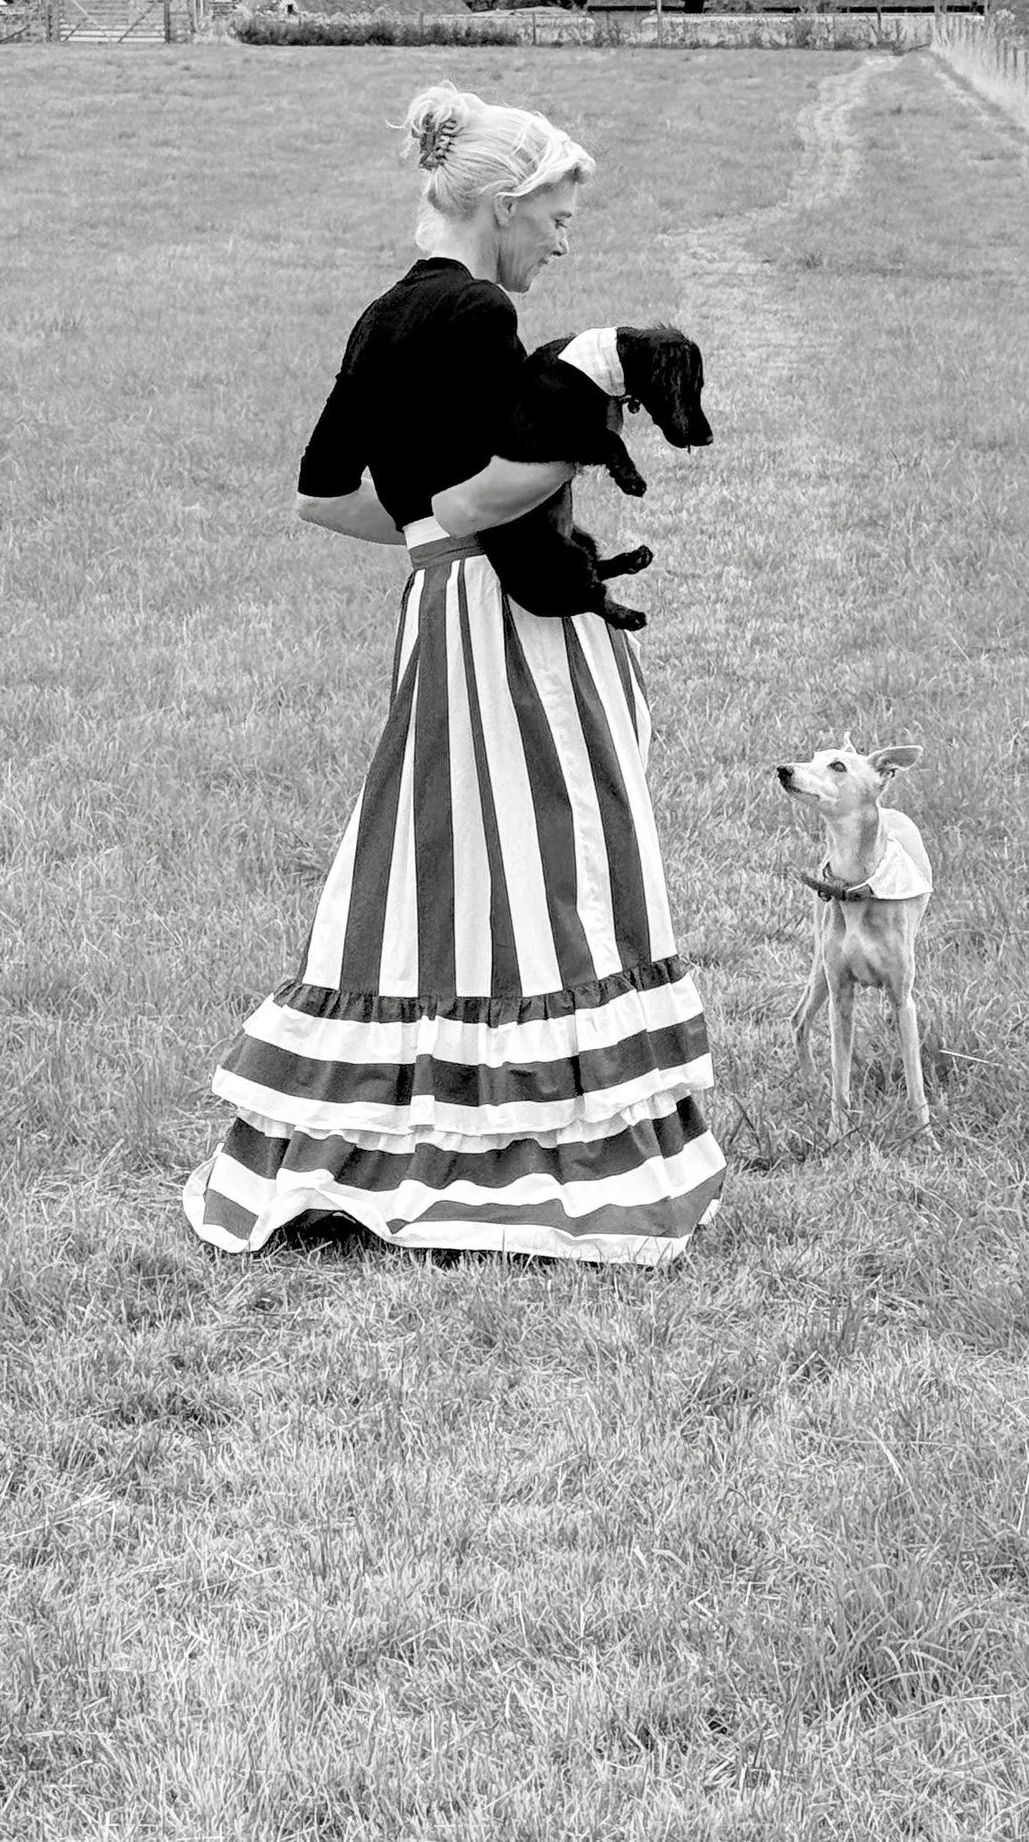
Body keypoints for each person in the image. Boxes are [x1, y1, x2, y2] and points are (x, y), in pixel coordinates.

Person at [183, 81, 726, 1264]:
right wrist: (583, 409)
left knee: (443, 860)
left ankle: (401, 1116)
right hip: (505, 623)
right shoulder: (478, 313)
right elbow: (488, 493)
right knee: (550, 858)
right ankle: (534, 1144)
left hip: (441, 612)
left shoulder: (384, 313)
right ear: (503, 204)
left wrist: (432, 537)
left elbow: (323, 496)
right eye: (556, 218)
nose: (561, 240)